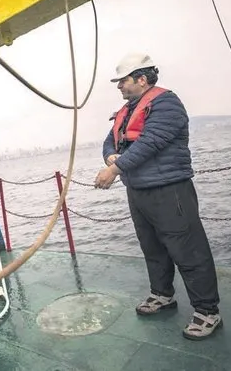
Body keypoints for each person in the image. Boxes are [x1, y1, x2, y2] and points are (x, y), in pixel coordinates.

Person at [94, 53, 222, 341]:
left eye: (123, 81)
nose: (119, 87)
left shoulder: (166, 103)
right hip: (138, 191)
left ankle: (207, 311)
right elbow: (108, 141)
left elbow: (152, 142)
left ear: (142, 79)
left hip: (169, 189)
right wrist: (110, 155)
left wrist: (115, 167)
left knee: (188, 250)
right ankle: (163, 294)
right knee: (152, 247)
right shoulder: (128, 110)